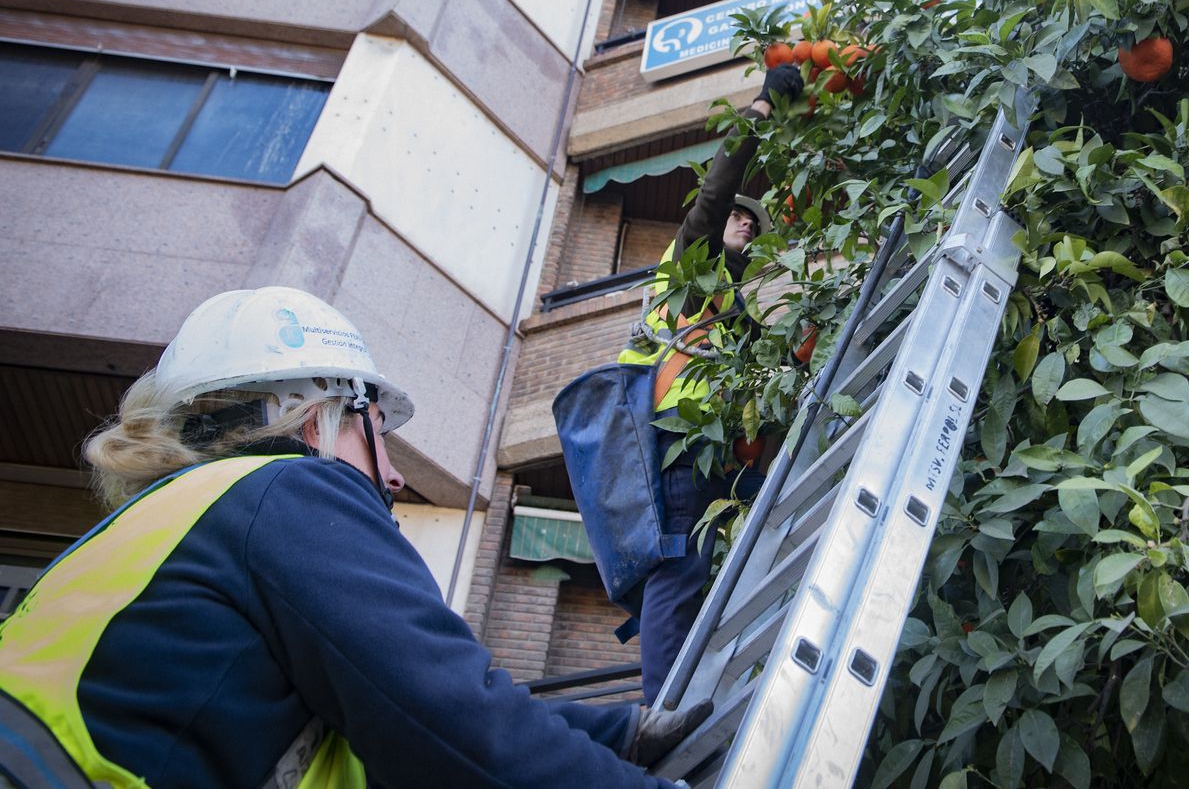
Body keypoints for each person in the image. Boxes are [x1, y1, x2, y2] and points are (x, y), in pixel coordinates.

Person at [0, 286, 705, 789]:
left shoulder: (148, 535)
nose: (394, 477)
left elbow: (396, 711)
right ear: (317, 419)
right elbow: (449, 725)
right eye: (380, 436)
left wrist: (620, 734)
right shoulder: (287, 491)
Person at [616, 62, 804, 704]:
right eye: (739, 217)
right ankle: (661, 705)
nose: (746, 223)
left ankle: (691, 682)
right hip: (674, 438)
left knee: (779, 502)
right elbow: (718, 188)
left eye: (755, 224)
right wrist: (761, 109)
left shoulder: (732, 307)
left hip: (715, 457)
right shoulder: (689, 265)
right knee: (683, 560)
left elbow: (778, 373)